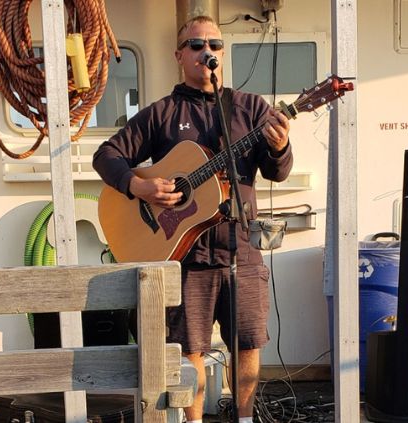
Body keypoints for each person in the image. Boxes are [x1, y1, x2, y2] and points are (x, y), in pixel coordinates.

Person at [92, 15, 292, 422]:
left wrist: (280, 146)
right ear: (180, 55)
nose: (208, 52)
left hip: (243, 251)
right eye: (197, 45)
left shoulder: (251, 108)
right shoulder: (162, 113)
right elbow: (106, 156)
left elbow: (277, 171)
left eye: (215, 45)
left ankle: (246, 418)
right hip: (186, 254)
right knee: (189, 348)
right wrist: (138, 186)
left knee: (249, 343)